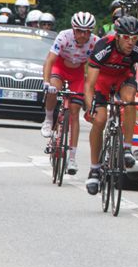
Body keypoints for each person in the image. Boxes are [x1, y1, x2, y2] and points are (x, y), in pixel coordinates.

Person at [84, 16, 138, 195]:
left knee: (130, 100)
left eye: (135, 38)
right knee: (100, 120)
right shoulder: (103, 46)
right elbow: (89, 84)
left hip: (123, 78)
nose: (131, 42)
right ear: (118, 36)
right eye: (126, 38)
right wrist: (90, 107)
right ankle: (94, 168)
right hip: (102, 81)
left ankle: (127, 148)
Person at [40, 12, 99, 175]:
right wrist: (46, 82)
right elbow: (50, 61)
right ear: (73, 29)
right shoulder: (63, 36)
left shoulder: (95, 42)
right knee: (53, 87)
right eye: (80, 31)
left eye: (87, 31)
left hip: (78, 73)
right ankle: (49, 118)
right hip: (60, 67)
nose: (83, 35)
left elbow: (99, 66)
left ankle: (72, 158)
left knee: (74, 112)